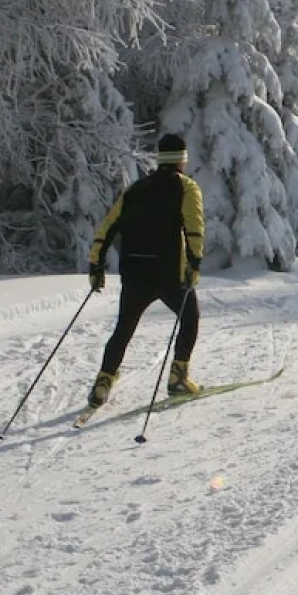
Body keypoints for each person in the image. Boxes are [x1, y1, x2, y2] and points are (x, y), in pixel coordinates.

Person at [85, 132, 205, 408]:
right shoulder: (187, 188)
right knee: (190, 318)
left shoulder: (135, 190)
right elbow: (194, 227)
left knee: (124, 328)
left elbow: (108, 226)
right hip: (168, 272)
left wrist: (96, 264)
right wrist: (195, 263)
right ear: (182, 161)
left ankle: (104, 381)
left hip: (135, 270)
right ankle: (178, 376)